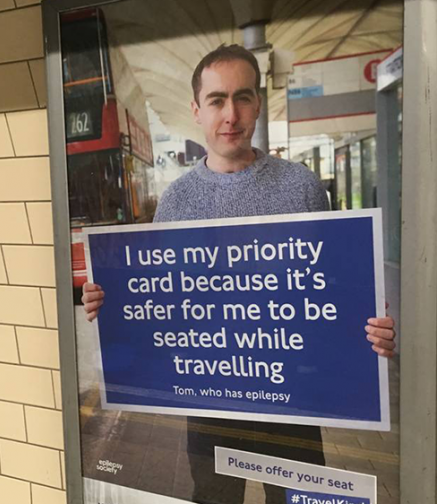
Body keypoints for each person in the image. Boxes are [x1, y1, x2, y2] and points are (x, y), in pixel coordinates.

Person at [81, 44, 396, 504]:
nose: (231, 114)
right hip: (211, 399)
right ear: (197, 110)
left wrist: (369, 329)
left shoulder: (301, 187)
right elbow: (162, 300)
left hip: (293, 395)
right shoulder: (176, 203)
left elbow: (330, 290)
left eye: (242, 97)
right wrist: (113, 303)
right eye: (217, 100)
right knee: (214, 497)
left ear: (258, 104)